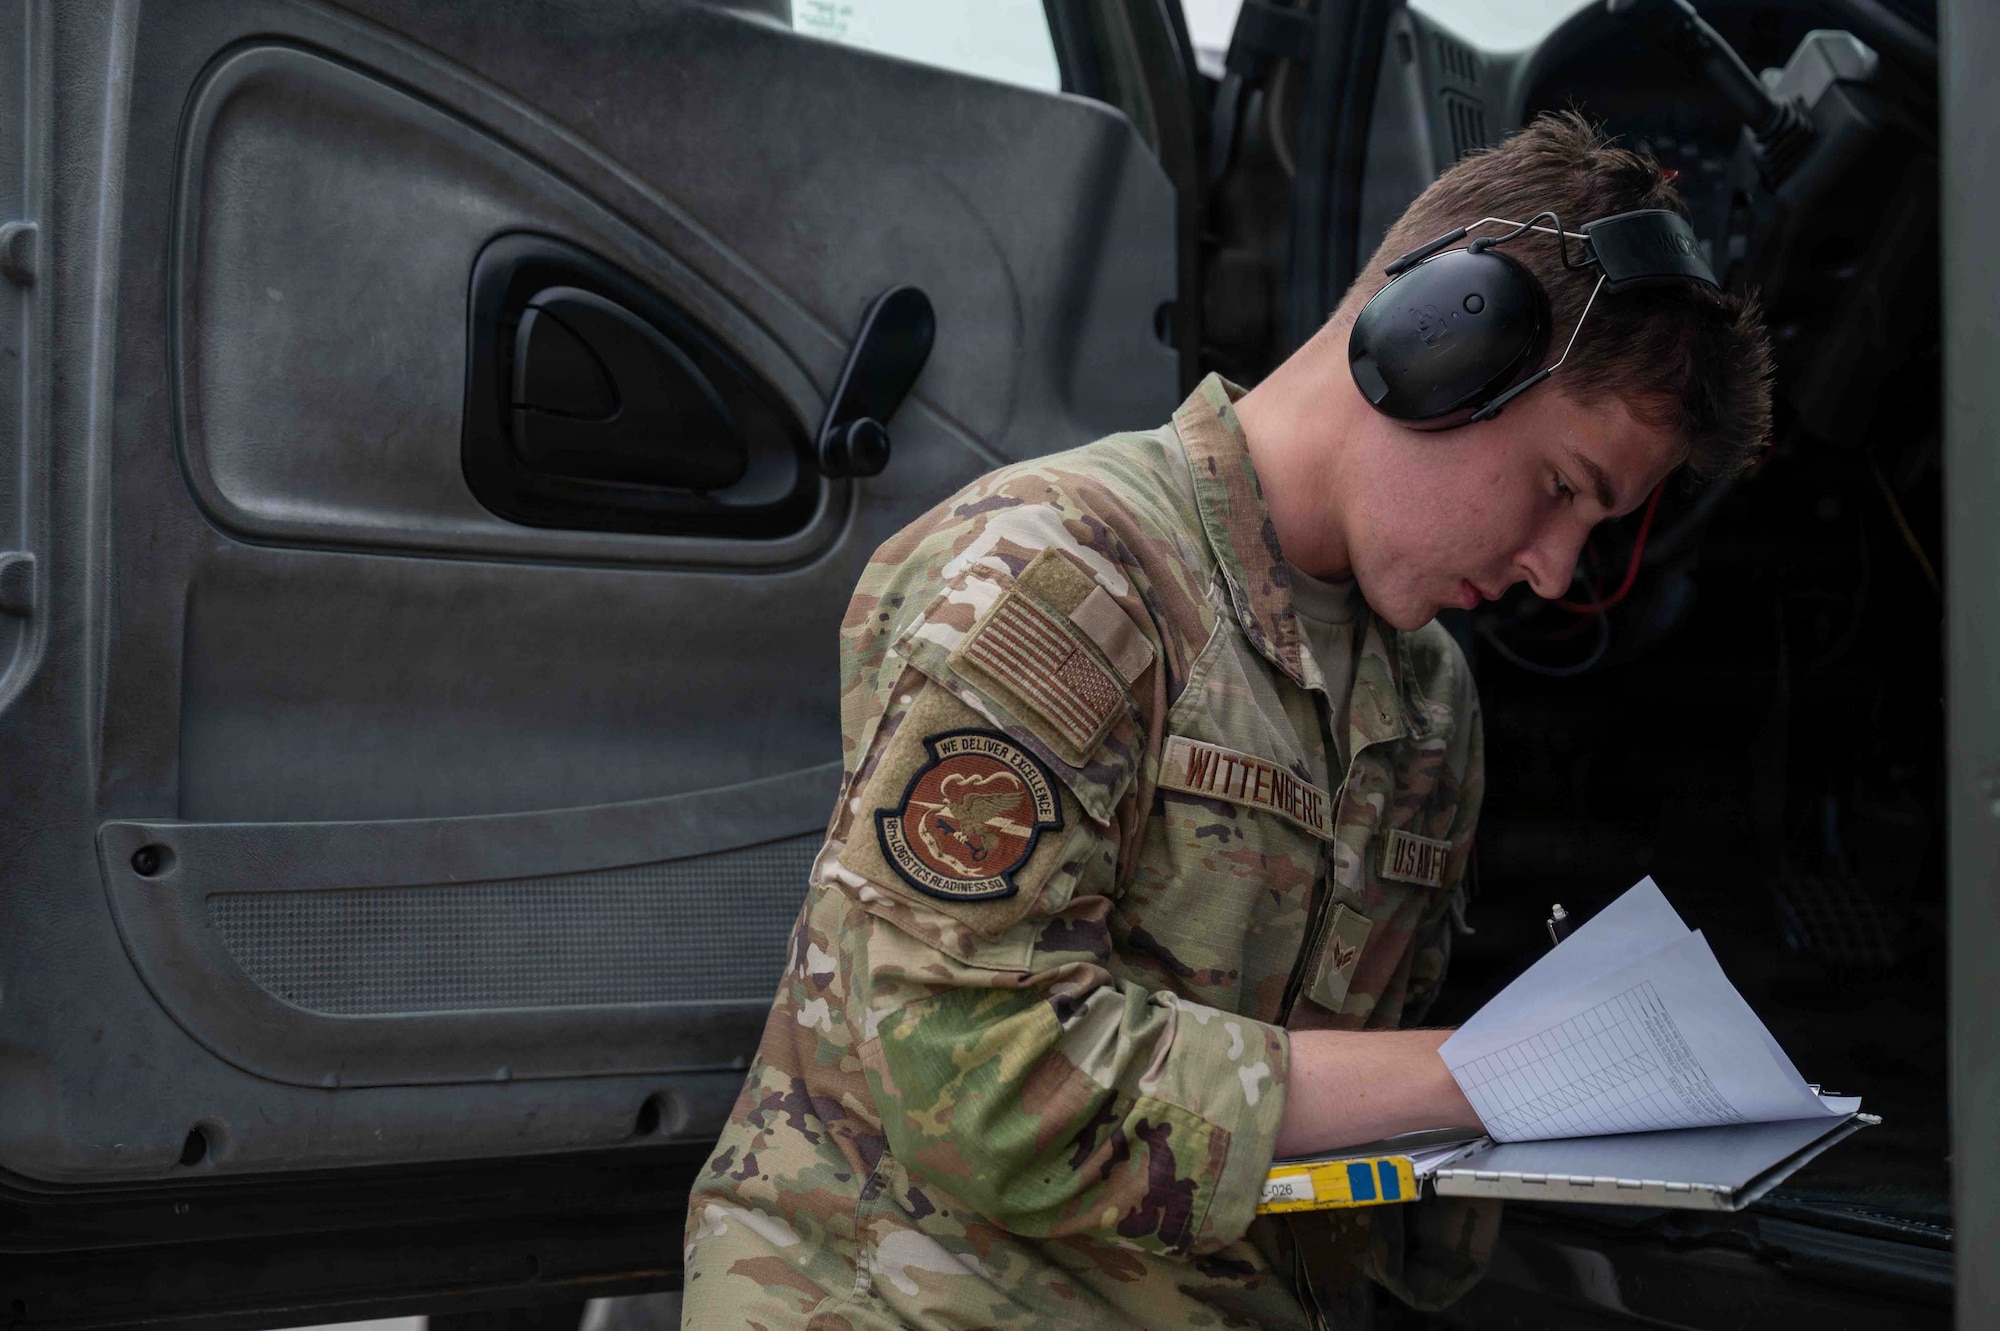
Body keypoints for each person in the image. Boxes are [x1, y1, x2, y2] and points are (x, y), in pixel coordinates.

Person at [681, 112, 1773, 1330]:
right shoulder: (1059, 578)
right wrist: (1488, 1071)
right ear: (1434, 348)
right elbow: (976, 1077)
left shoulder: (1425, 697)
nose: (1557, 570)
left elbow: (1344, 1169)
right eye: (1561, 487)